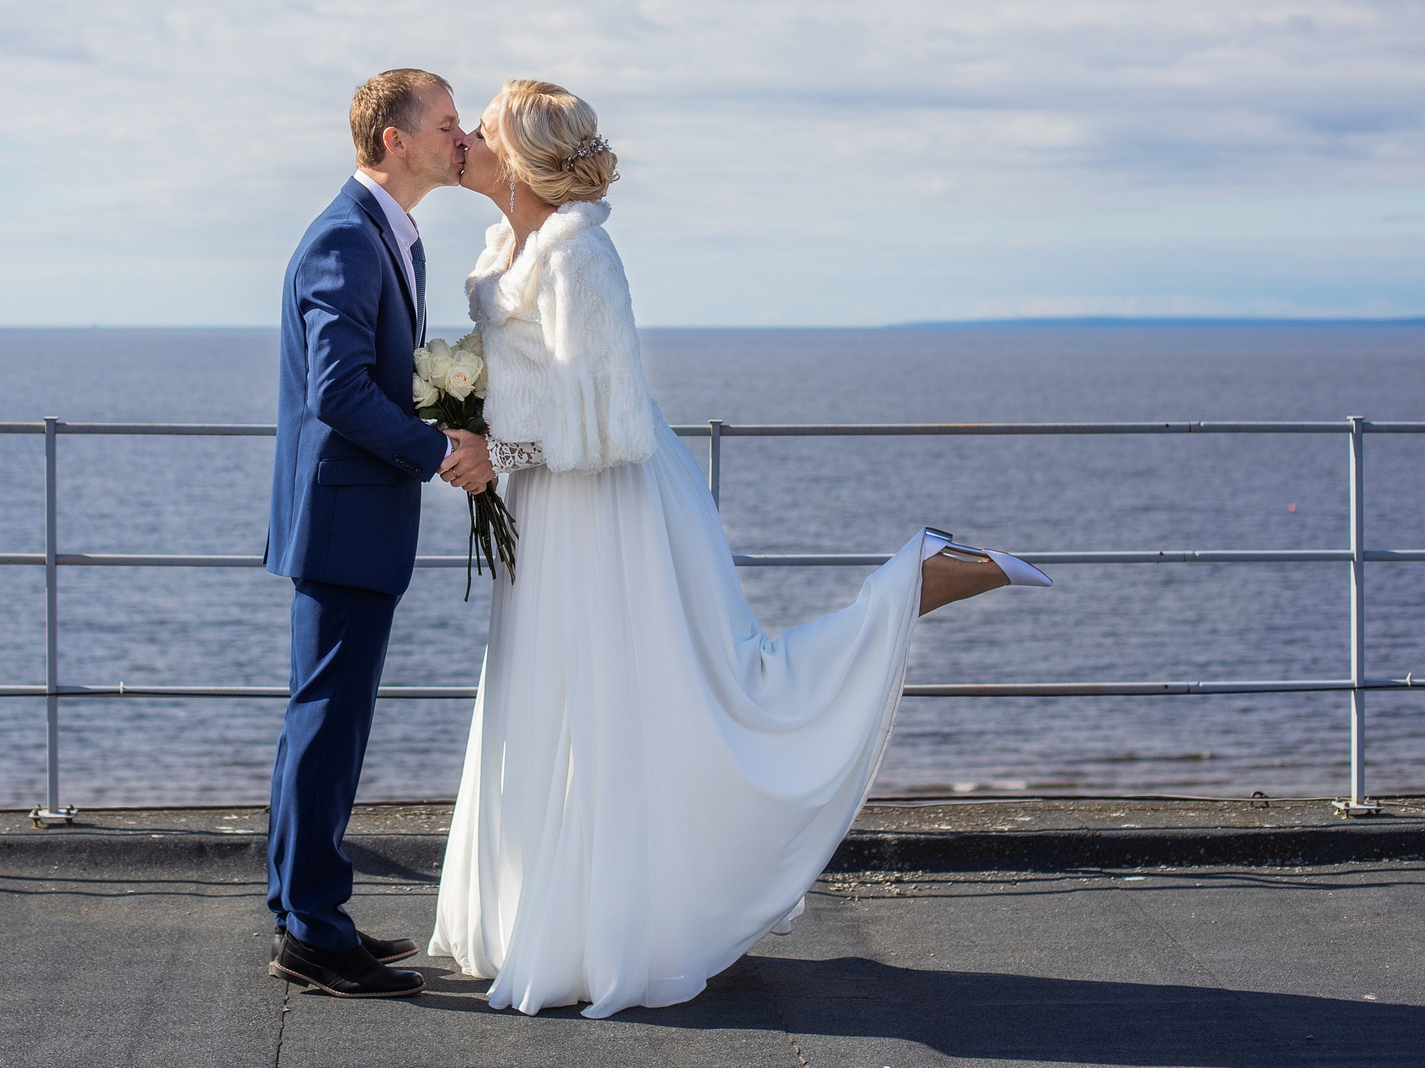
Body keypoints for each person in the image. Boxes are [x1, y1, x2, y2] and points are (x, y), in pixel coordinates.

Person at [427, 79, 1051, 1018]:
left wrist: (492, 448)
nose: (465, 136)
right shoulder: (502, 244)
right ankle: (547, 922)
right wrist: (477, 419)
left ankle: (912, 582)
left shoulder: (580, 255)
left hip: (609, 508)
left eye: (482, 127)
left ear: (518, 159)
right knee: (553, 701)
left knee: (686, 700)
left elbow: (613, 425)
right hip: (546, 507)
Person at [264, 69, 494, 999]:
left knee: (327, 719)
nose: (461, 135)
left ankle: (306, 913)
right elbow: (338, 389)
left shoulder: (392, 236)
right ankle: (313, 931)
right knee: (327, 721)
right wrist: (443, 446)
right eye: (444, 124)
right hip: (343, 516)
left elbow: (382, 372)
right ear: (394, 140)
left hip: (359, 512)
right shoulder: (344, 240)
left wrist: (444, 402)